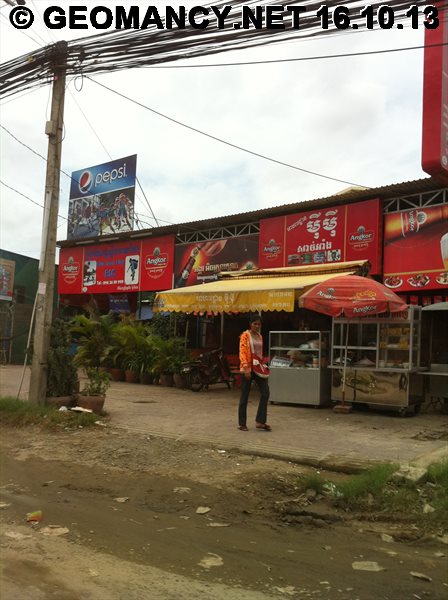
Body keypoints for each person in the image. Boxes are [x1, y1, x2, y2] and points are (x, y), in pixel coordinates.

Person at [238, 315, 271, 431]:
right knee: (245, 395)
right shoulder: (245, 335)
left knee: (265, 392)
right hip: (248, 368)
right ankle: (242, 424)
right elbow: (242, 352)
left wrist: (263, 365)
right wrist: (246, 368)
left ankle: (260, 421)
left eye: (259, 324)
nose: (257, 326)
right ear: (250, 324)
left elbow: (259, 353)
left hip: (258, 368)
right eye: (255, 324)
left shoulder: (260, 336)